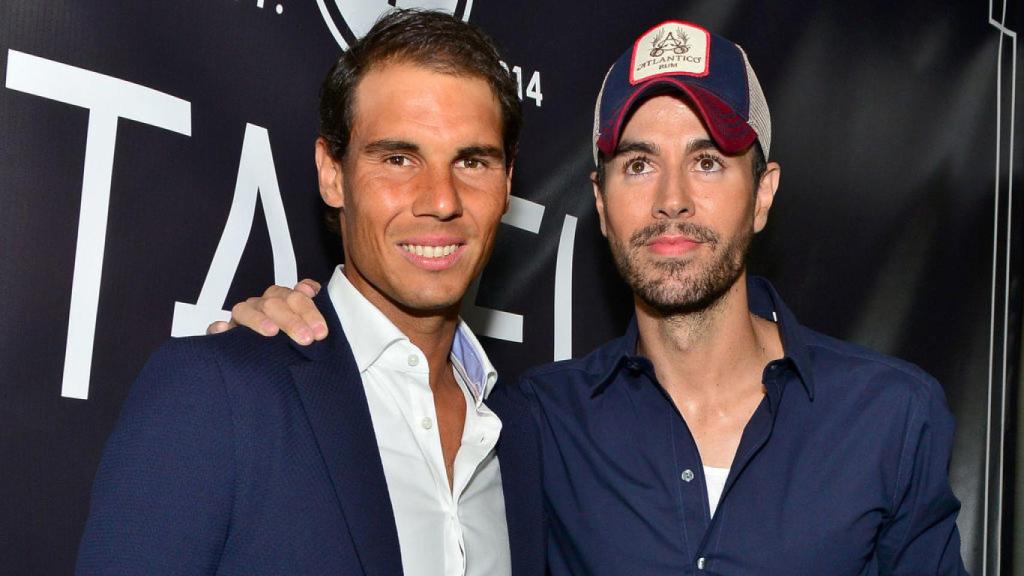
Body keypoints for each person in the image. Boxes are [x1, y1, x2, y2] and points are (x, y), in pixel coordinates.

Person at [219, 19, 968, 575]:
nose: (672, 200)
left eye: (708, 162)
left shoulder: (892, 417)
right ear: (602, 204)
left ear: (762, 195)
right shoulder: (527, 427)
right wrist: (282, 325)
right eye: (639, 165)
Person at [76, 9, 544, 576]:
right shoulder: (217, 393)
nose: (441, 200)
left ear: (508, 182)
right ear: (331, 172)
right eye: (398, 158)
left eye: (472, 161)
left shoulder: (520, 435)